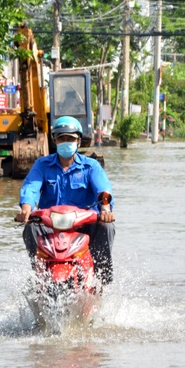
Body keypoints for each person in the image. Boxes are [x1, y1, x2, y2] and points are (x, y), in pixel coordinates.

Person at [15, 116, 116, 284]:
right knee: (30, 227)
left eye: (70, 138)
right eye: (62, 138)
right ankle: (39, 274)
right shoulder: (42, 165)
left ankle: (102, 276)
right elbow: (31, 188)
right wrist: (26, 209)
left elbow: (104, 190)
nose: (66, 141)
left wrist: (105, 211)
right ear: (54, 140)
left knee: (107, 226)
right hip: (50, 226)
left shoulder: (91, 166)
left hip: (84, 226)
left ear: (79, 141)